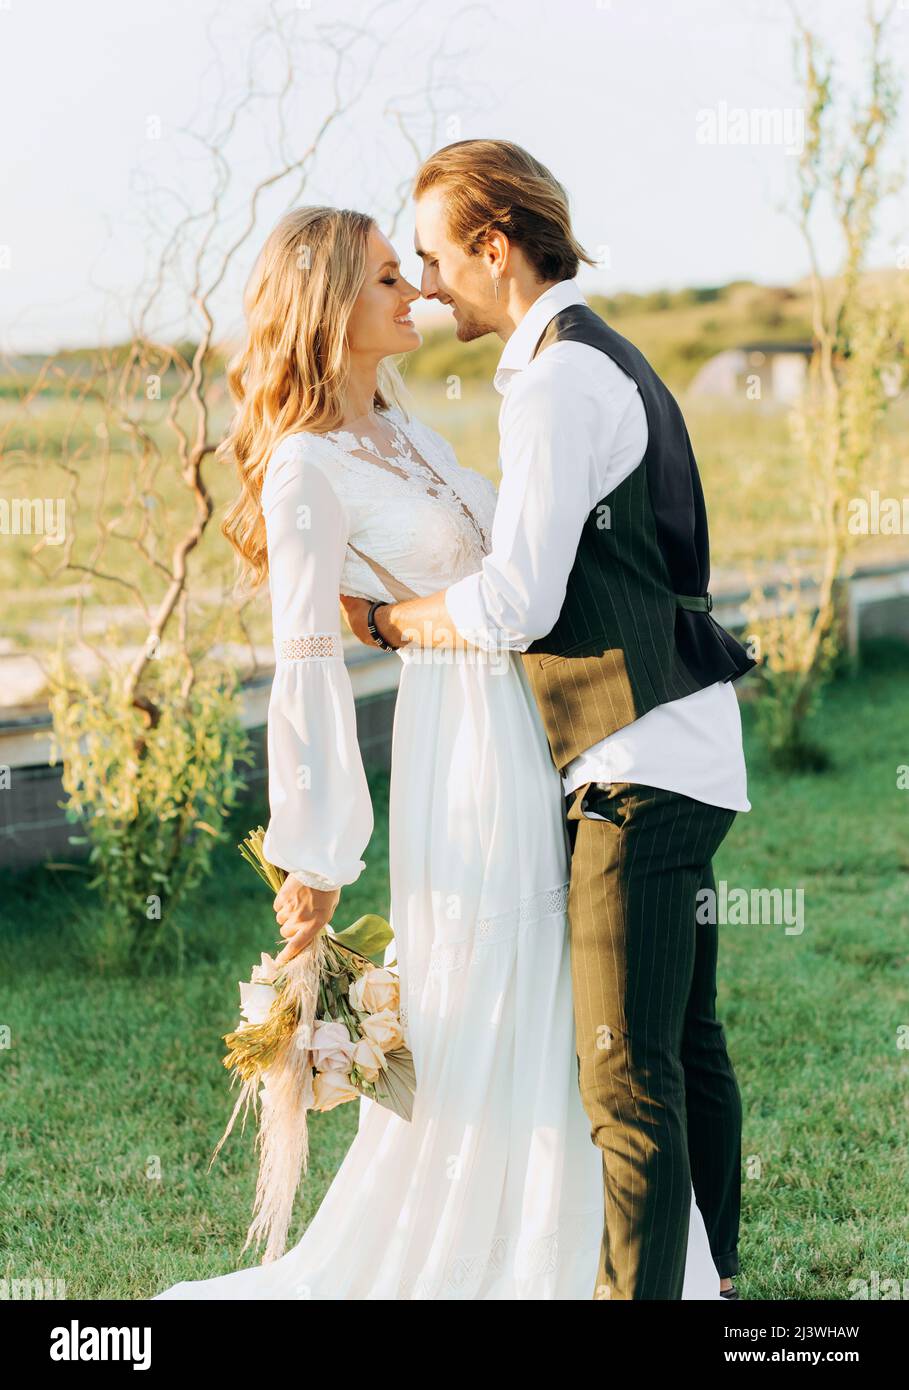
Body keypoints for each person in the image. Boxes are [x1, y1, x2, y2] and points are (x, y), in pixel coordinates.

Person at [153, 196, 725, 1301]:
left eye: (409, 268)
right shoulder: (306, 467)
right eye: (384, 277)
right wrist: (314, 853)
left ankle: (587, 1253)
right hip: (458, 753)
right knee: (488, 980)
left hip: (535, 731)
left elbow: (515, 577)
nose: (413, 288)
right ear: (325, 309)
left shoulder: (409, 428)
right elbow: (309, 657)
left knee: (563, 989)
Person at [343, 140, 755, 1300]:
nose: (423, 283)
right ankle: (713, 1287)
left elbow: (517, 601)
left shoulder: (559, 382)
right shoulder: (590, 355)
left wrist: (383, 619)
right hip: (678, 746)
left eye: (431, 256)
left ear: (494, 245)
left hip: (637, 762)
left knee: (626, 1076)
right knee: (687, 1051)